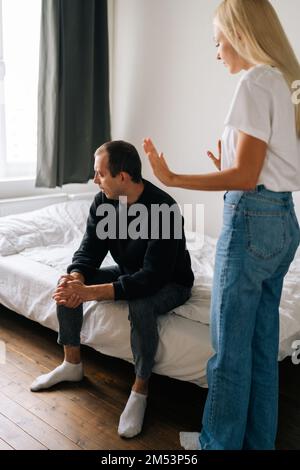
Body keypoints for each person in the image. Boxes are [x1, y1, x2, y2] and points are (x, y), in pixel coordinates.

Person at [143, 0, 300, 450]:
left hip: (252, 219)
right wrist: (228, 165)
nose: (217, 52)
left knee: (230, 351)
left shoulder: (255, 82)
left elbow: (247, 178)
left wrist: (172, 178)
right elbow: (268, 167)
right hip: (283, 219)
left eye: (218, 41)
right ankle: (256, 444)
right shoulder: (286, 82)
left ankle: (218, 444)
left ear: (238, 33)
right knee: (260, 349)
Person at [30, 140, 194, 438]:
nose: (95, 180)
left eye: (100, 174)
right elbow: (88, 251)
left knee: (141, 303)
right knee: (68, 282)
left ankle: (140, 389)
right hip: (132, 271)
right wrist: (78, 278)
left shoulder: (163, 209)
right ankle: (72, 363)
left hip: (171, 280)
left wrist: (92, 293)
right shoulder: (105, 202)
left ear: (123, 176)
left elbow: (153, 279)